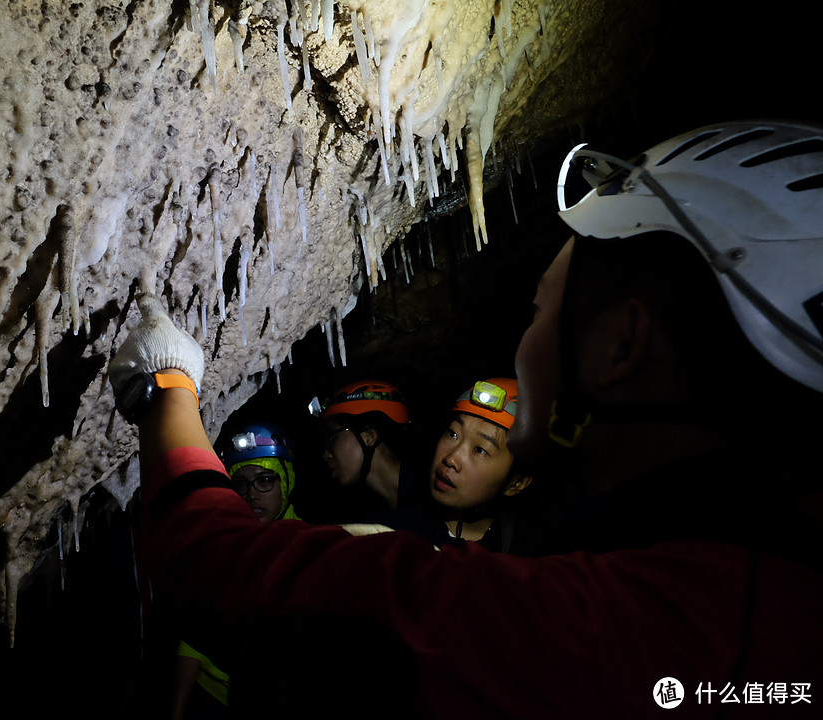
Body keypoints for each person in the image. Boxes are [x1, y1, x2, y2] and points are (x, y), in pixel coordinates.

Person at [111, 120, 823, 717]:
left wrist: (169, 387)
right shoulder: (760, 598)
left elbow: (211, 568)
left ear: (620, 346)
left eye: (541, 311)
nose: (526, 335)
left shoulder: (594, 633)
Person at [170, 423, 301, 718]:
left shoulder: (308, 547)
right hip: (211, 696)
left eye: (265, 480)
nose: (252, 494)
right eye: (240, 483)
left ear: (286, 482)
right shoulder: (216, 547)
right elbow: (193, 636)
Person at [418, 378, 534, 551]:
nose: (451, 459)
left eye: (480, 450)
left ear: (516, 483)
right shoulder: (390, 537)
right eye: (453, 434)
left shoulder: (531, 561)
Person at [313, 379, 418, 523]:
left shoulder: (432, 498)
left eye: (333, 437)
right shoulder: (370, 517)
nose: (326, 454)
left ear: (369, 436)